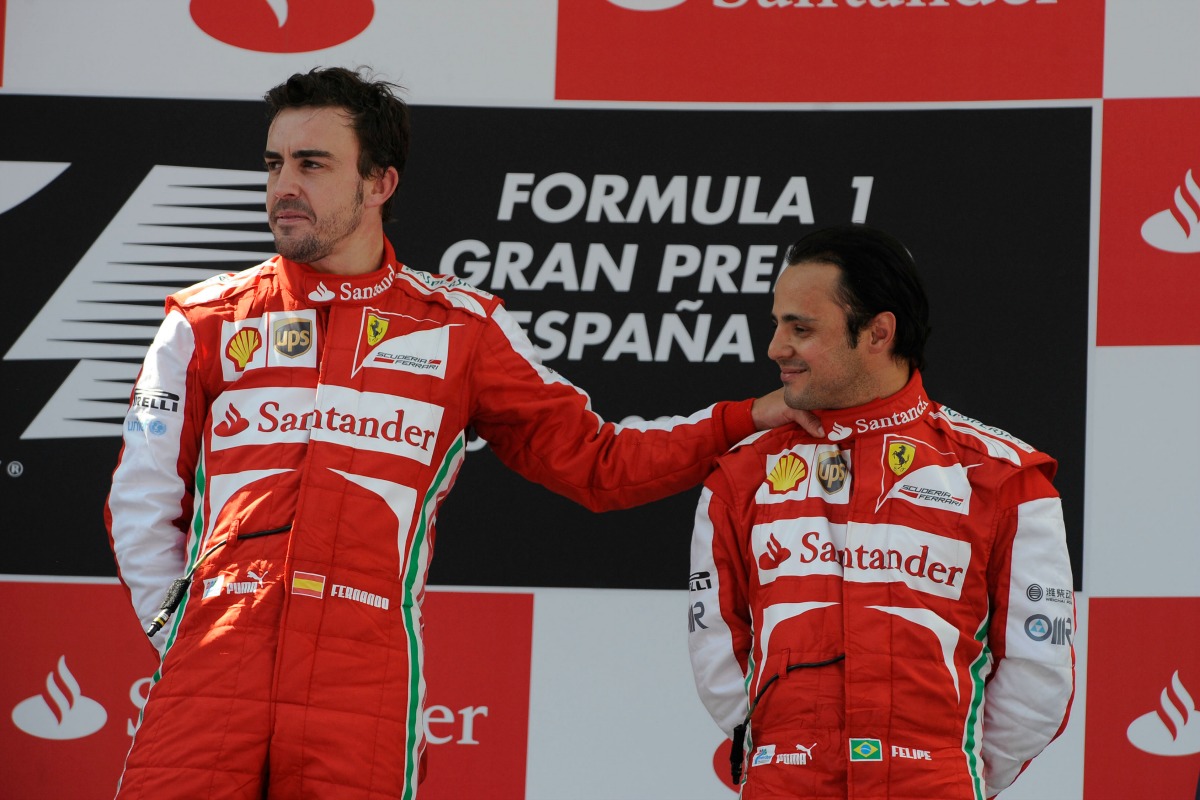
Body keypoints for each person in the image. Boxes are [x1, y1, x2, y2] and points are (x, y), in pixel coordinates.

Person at [104, 66, 816, 799]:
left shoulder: (460, 329)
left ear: (379, 183)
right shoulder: (204, 320)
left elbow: (597, 462)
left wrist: (742, 418)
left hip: (362, 686)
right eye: (274, 163)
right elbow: (141, 499)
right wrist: (184, 632)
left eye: (312, 164)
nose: (284, 185)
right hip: (209, 672)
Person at [687, 224, 1075, 799]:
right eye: (777, 324)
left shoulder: (1002, 477)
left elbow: (1038, 672)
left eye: (800, 328)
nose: (775, 348)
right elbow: (718, 652)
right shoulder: (739, 477)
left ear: (878, 332)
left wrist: (950, 772)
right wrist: (790, 753)